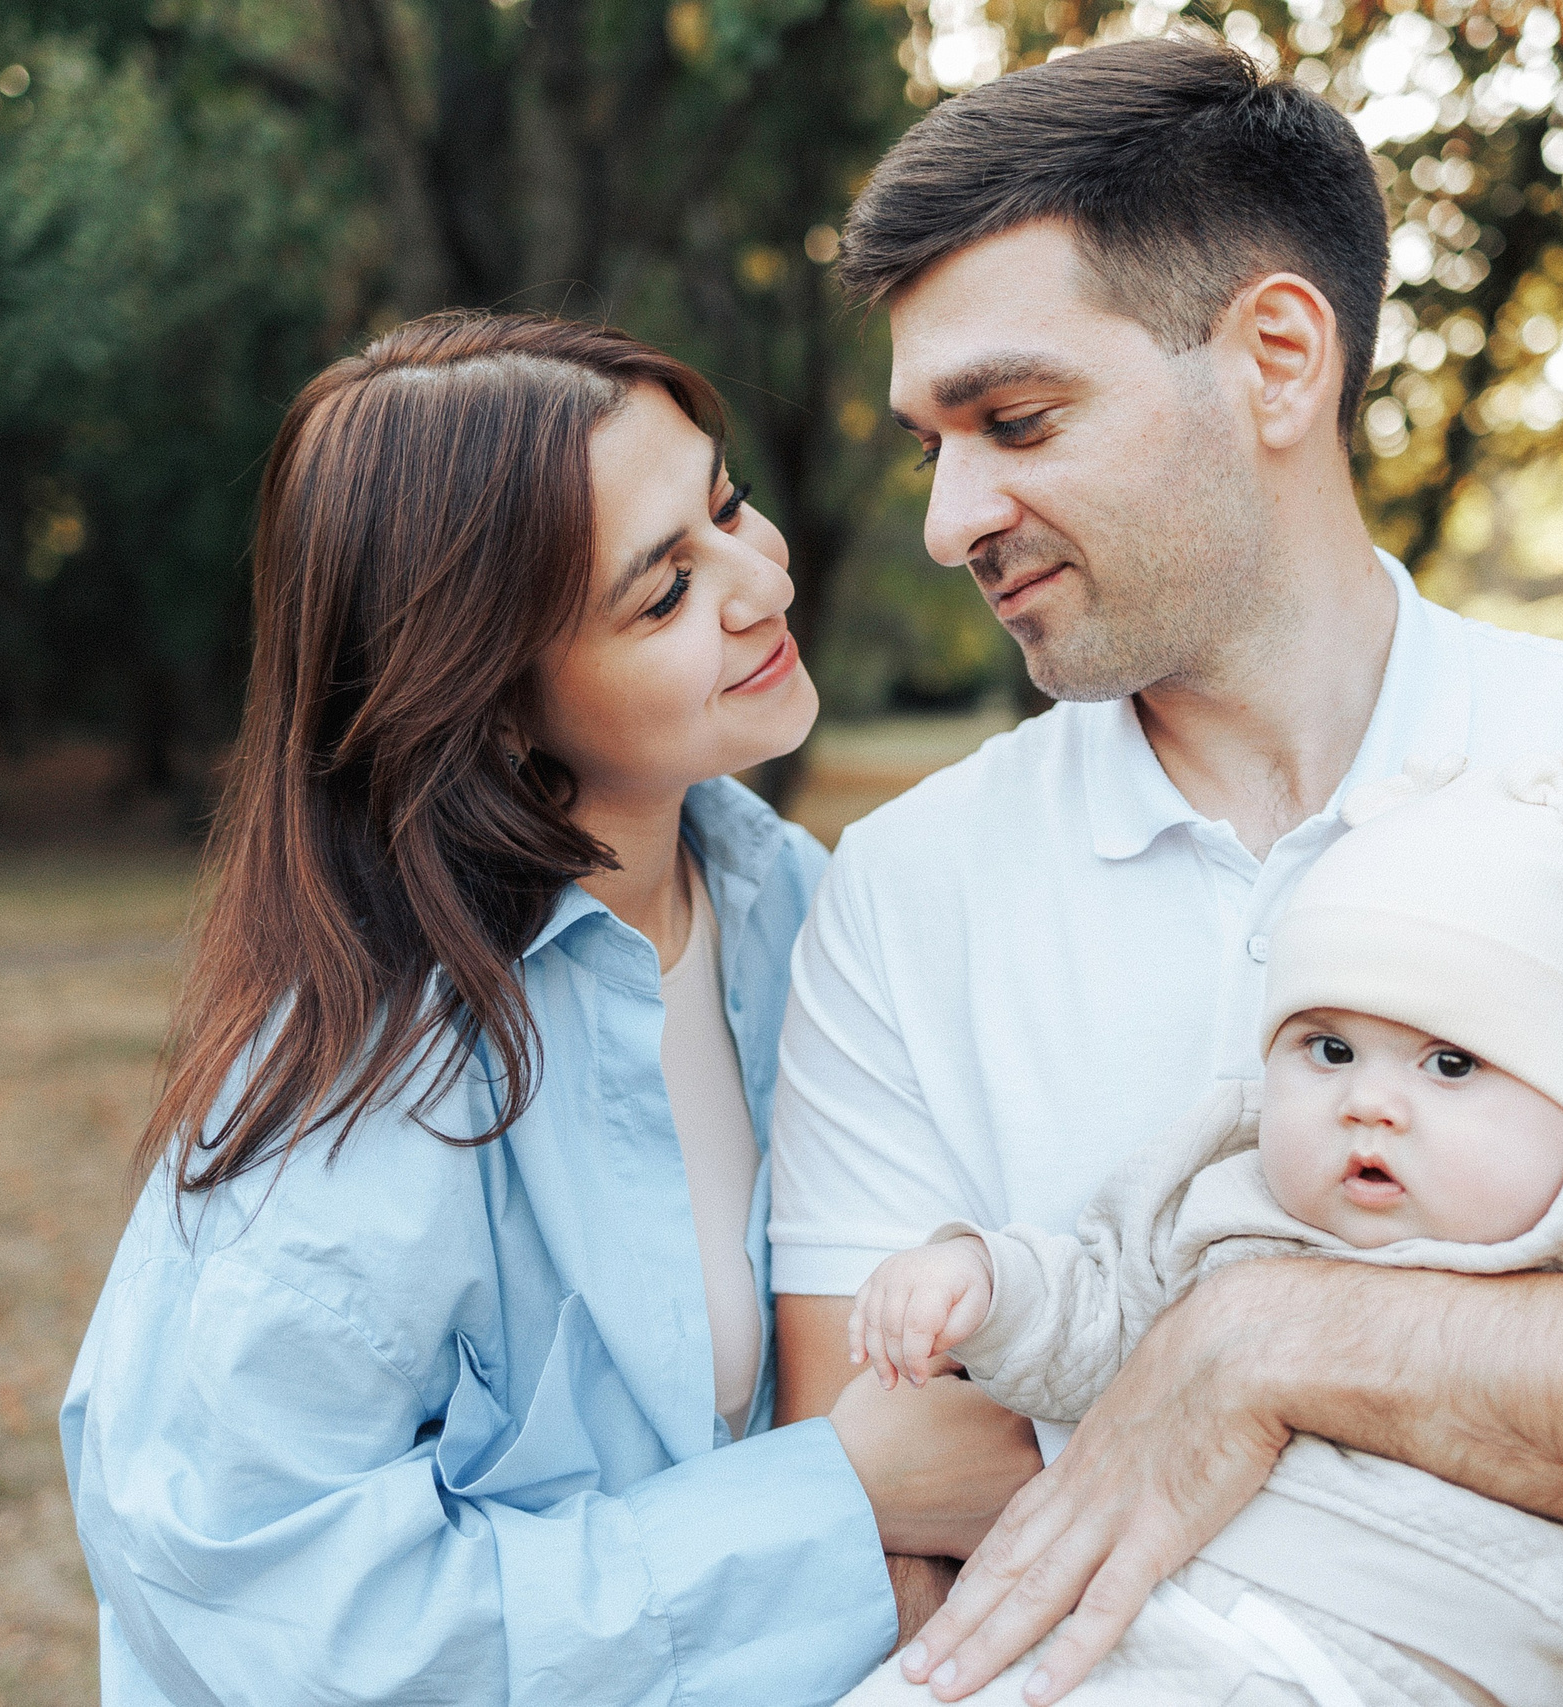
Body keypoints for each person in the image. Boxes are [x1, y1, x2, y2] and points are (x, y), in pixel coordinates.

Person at [768, 35, 1563, 1707]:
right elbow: (881, 1475)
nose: (950, 518)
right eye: (933, 442)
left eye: (1015, 419)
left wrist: (1270, 1344)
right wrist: (1549, 1375)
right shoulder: (898, 893)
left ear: (1280, 360)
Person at [58, 312, 1038, 1705]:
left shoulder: (800, 904)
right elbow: (279, 1627)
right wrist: (836, 1512)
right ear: (496, 701)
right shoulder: (358, 1099)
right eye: (662, 593)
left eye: (728, 505)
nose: (761, 580)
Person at [837, 738, 1563, 1707]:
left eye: (1450, 1063)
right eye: (1328, 1049)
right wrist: (984, 1287)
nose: (1371, 1102)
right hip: (1145, 1608)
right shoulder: (1227, 1189)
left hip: (1384, 1659)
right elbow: (1093, 1314)